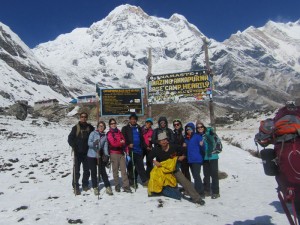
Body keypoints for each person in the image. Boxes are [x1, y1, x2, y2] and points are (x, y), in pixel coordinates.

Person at [148, 132, 205, 205]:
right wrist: (154, 161)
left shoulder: (173, 146)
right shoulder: (157, 149)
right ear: (159, 142)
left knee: (185, 181)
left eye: (165, 139)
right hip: (162, 170)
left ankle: (197, 199)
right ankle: (158, 191)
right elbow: (149, 157)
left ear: (167, 140)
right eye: (161, 140)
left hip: (174, 168)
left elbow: (185, 150)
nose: (164, 141)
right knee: (156, 179)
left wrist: (183, 156)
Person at [68, 112, 94, 195]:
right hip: (77, 152)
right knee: (76, 171)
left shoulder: (90, 127)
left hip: (87, 152)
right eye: (82, 117)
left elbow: (94, 136)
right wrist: (73, 145)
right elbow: (70, 138)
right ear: (80, 117)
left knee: (87, 170)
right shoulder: (75, 128)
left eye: (85, 117)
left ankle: (85, 184)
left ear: (87, 118)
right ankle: (76, 186)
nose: (83, 118)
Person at [121, 113, 148, 188]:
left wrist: (146, 147)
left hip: (139, 150)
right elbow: (123, 138)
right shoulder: (125, 128)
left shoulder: (139, 128)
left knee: (140, 166)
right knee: (130, 167)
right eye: (132, 119)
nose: (133, 120)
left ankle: (144, 180)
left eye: (134, 119)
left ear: (136, 120)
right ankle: (132, 181)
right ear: (130, 120)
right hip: (130, 150)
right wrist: (128, 144)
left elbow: (142, 139)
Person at [87, 121, 113, 196]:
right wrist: (94, 143)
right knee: (94, 171)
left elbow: (105, 146)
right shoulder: (93, 133)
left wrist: (107, 154)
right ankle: (95, 186)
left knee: (102, 171)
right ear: (97, 127)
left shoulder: (104, 136)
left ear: (104, 127)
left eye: (102, 126)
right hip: (91, 155)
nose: (101, 127)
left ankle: (107, 186)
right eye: (100, 126)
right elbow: (89, 143)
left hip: (99, 156)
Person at [107, 118, 132, 193]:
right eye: (112, 123)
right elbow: (113, 143)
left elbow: (124, 143)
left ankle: (126, 185)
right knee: (115, 170)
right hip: (114, 153)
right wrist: (121, 143)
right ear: (110, 125)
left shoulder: (119, 132)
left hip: (121, 153)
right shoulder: (109, 133)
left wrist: (127, 150)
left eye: (114, 123)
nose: (113, 124)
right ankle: (117, 185)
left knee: (124, 170)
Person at [196, 121, 220, 199]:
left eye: (201, 127)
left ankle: (216, 192)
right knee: (206, 174)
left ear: (204, 127)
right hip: (205, 157)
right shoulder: (199, 135)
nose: (200, 128)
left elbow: (215, 142)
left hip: (213, 156)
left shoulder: (210, 133)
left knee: (214, 174)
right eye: (198, 127)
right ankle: (207, 190)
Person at [184, 122, 206, 198]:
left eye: (190, 129)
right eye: (187, 129)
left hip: (197, 160)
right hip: (190, 160)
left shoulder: (197, 136)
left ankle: (201, 192)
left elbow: (204, 148)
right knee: (195, 175)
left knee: (196, 175)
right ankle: (197, 190)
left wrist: (202, 145)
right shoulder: (186, 138)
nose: (188, 131)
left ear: (193, 129)